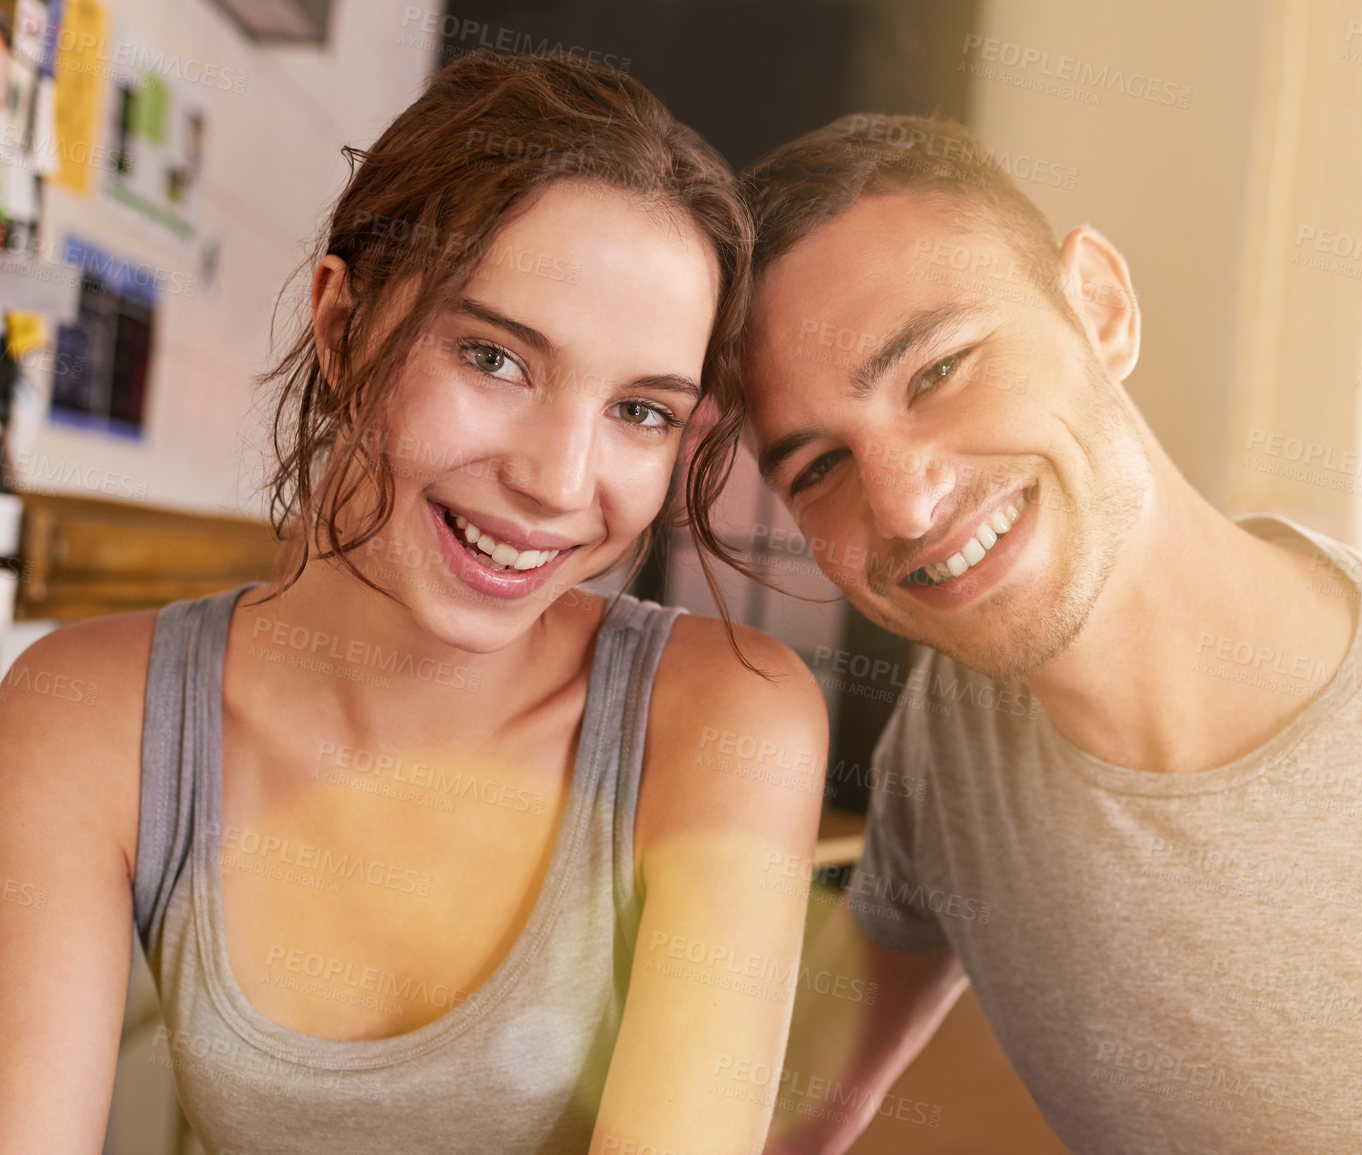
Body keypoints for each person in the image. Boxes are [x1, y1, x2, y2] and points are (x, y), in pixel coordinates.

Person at [715, 113, 1362, 1154]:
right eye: (818, 469)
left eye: (938, 371)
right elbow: (786, 1107)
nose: (906, 505)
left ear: (1099, 308)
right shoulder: (955, 732)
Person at [0, 52, 828, 1155]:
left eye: (640, 411)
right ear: (342, 327)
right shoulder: (85, 714)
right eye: (494, 358)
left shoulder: (726, 720)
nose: (557, 480)